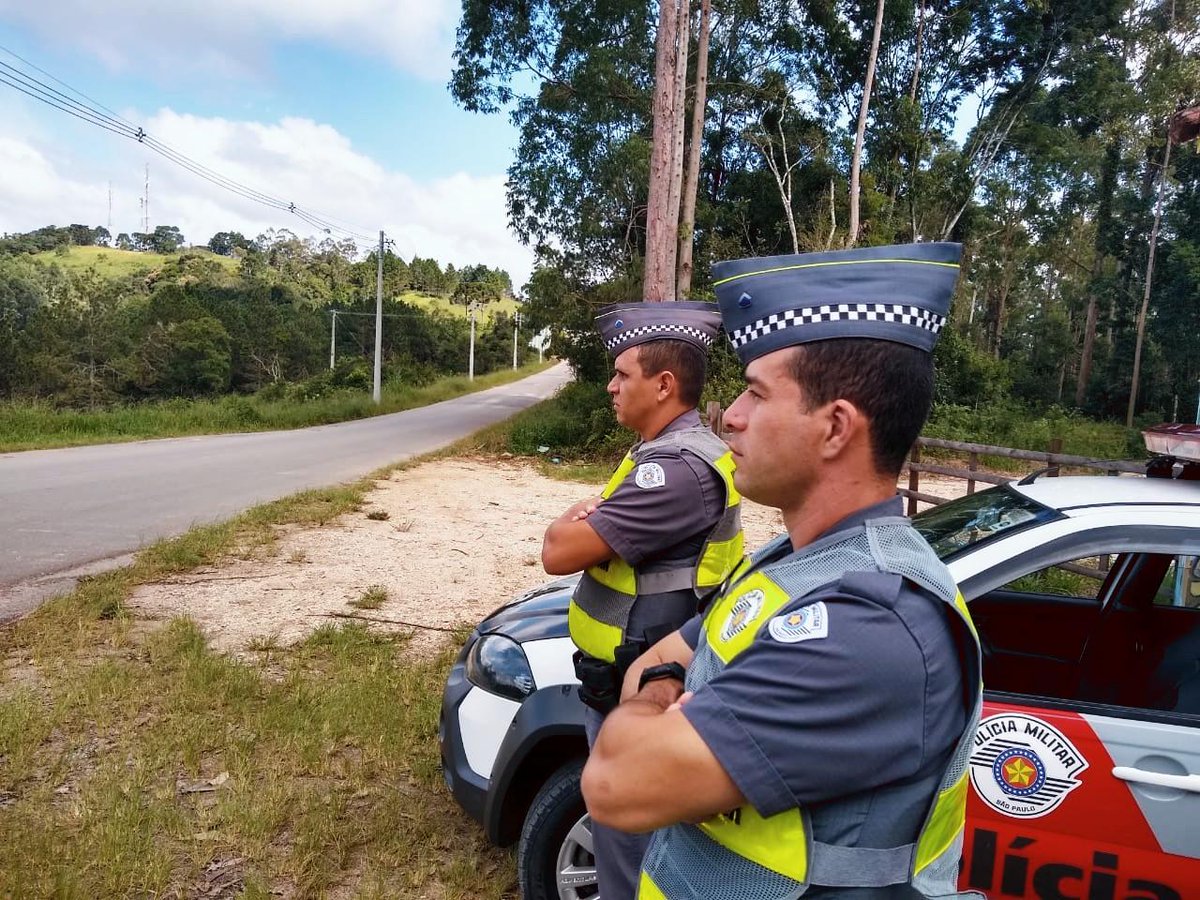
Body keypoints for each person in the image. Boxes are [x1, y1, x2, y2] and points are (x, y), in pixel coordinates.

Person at [581, 243, 984, 900]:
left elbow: (615, 785)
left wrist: (653, 701)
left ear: (835, 428)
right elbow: (657, 660)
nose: (730, 414)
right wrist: (662, 686)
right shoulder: (794, 559)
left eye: (756, 393)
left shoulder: (870, 627)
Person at [541, 301, 745, 899]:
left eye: (622, 374)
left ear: (663, 384)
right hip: (625, 681)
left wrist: (568, 520)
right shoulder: (664, 451)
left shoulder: (676, 470)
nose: (610, 385)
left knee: (631, 855)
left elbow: (558, 552)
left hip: (643, 691)